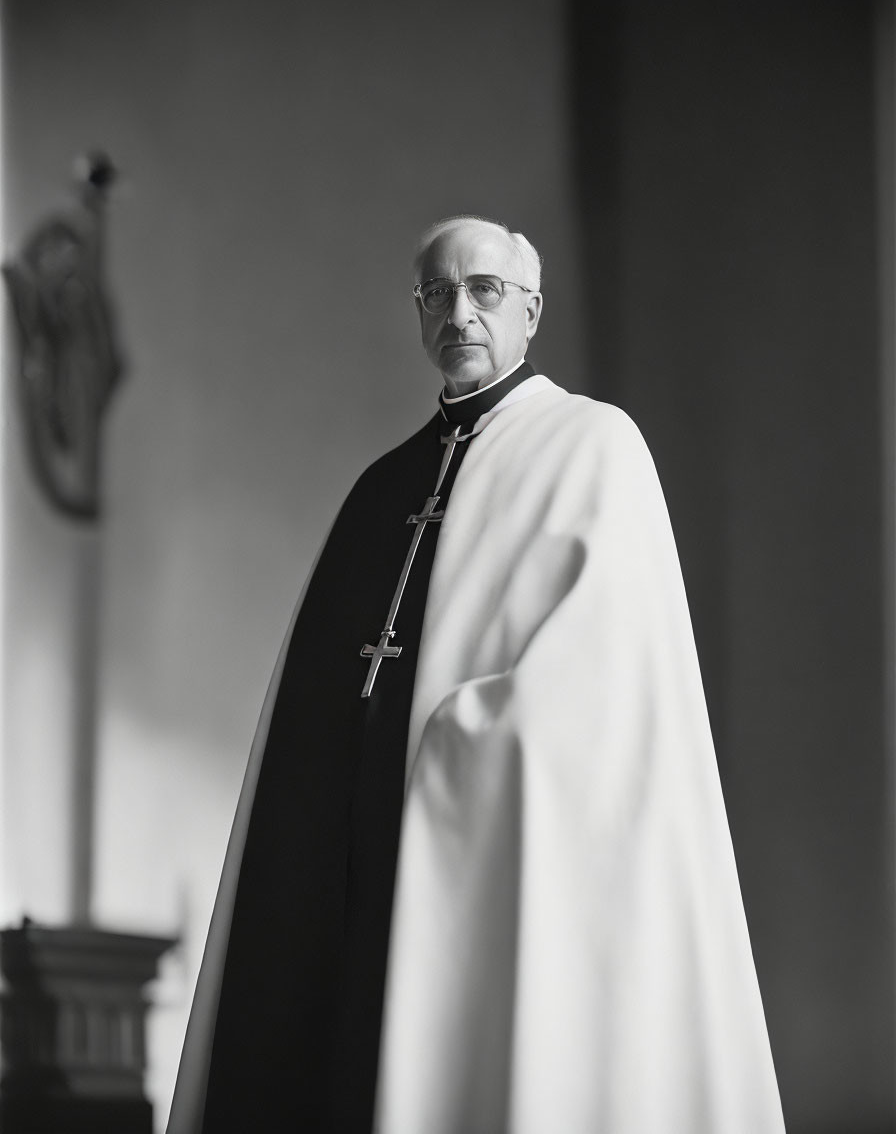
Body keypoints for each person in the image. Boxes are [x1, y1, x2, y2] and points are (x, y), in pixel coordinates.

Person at [168, 215, 785, 1133]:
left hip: (485, 852)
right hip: (354, 867)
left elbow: (604, 681)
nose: (461, 312)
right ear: (419, 316)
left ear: (531, 311)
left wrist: (441, 744)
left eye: (485, 290)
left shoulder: (591, 446)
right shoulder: (382, 487)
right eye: (438, 294)